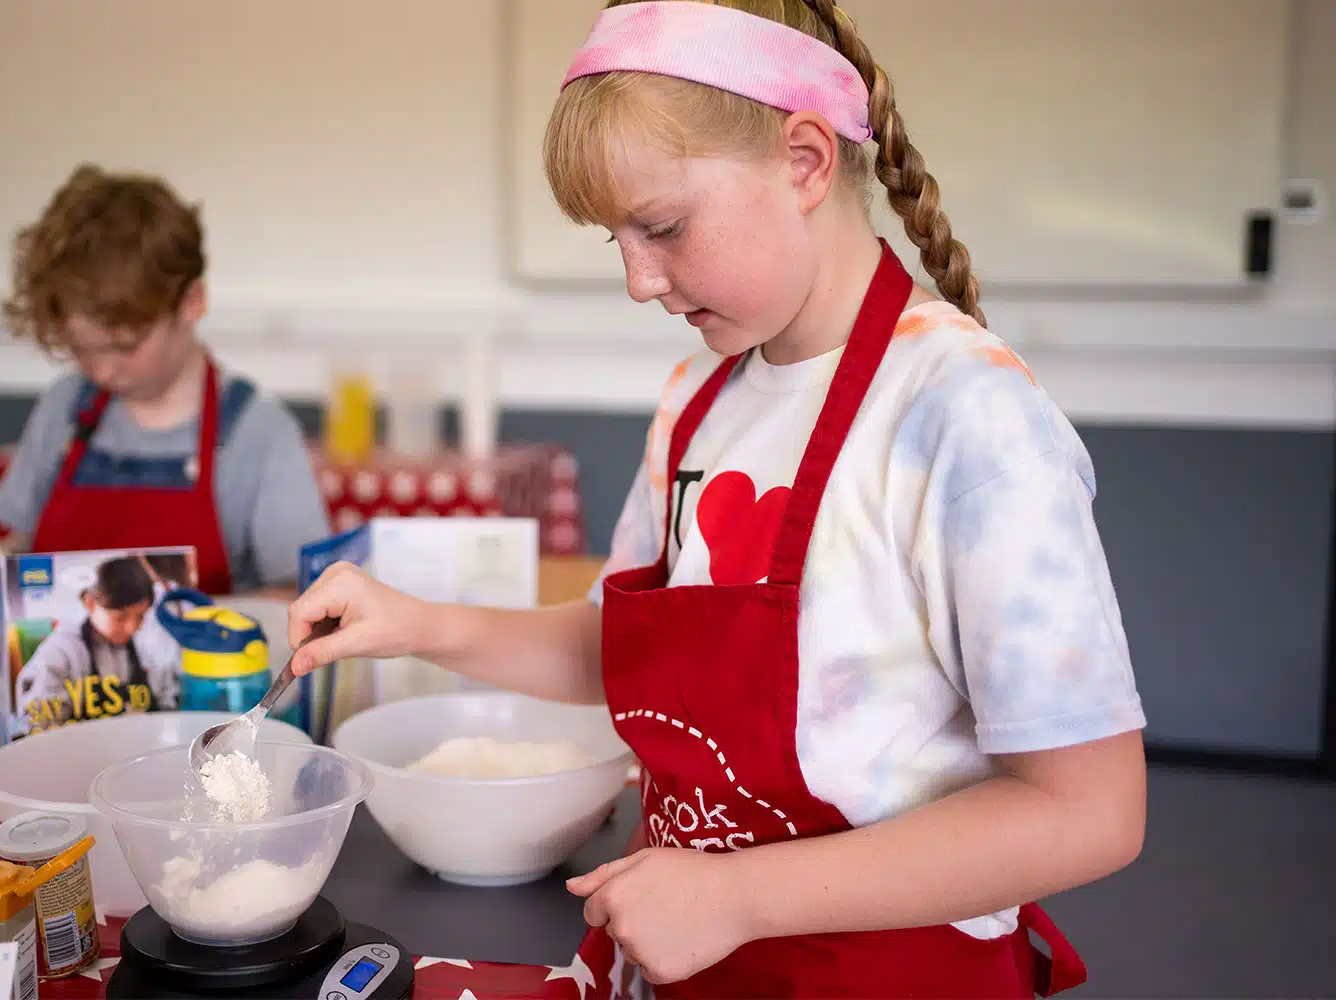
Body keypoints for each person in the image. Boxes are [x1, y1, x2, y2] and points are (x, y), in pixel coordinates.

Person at [285, 2, 1147, 996]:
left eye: (661, 227)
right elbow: (618, 649)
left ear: (806, 162)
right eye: (615, 240)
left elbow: (1087, 811)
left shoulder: (966, 419)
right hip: (685, 958)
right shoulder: (698, 400)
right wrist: (414, 622)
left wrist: (742, 897)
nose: (638, 281)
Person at [0, 164, 329, 609]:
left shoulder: (258, 433)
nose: (101, 371)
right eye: (81, 349)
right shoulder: (65, 408)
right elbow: (16, 543)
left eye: (124, 347)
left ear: (192, 302)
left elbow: (301, 597)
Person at [14, 555, 179, 728]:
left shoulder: (147, 646)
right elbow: (36, 722)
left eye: (140, 616)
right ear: (90, 603)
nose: (132, 627)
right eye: (120, 617)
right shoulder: (60, 652)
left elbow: (167, 702)